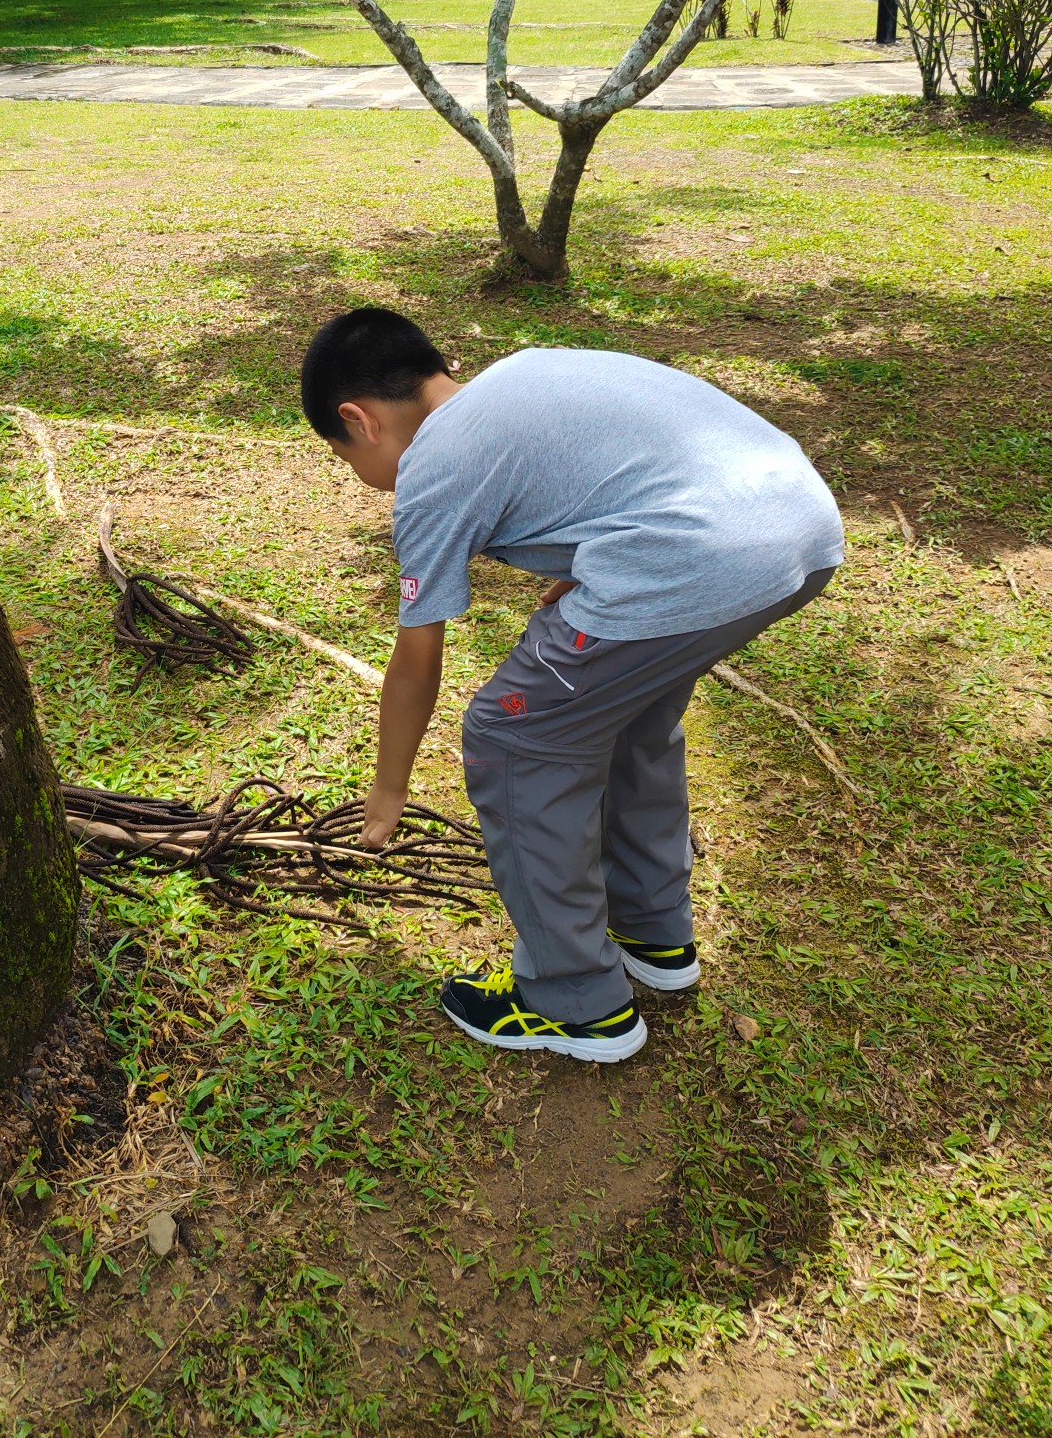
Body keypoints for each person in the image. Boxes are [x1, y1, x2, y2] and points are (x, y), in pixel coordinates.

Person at [300, 306, 844, 1063]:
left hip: (700, 554)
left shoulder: (433, 467)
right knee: (624, 712)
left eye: (343, 457)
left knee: (512, 735)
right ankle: (652, 935)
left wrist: (388, 793)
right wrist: (591, 564)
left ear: (359, 421)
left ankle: (574, 1002)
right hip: (802, 530)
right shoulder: (523, 371)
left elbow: (416, 663)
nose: (363, 483)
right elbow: (613, 476)